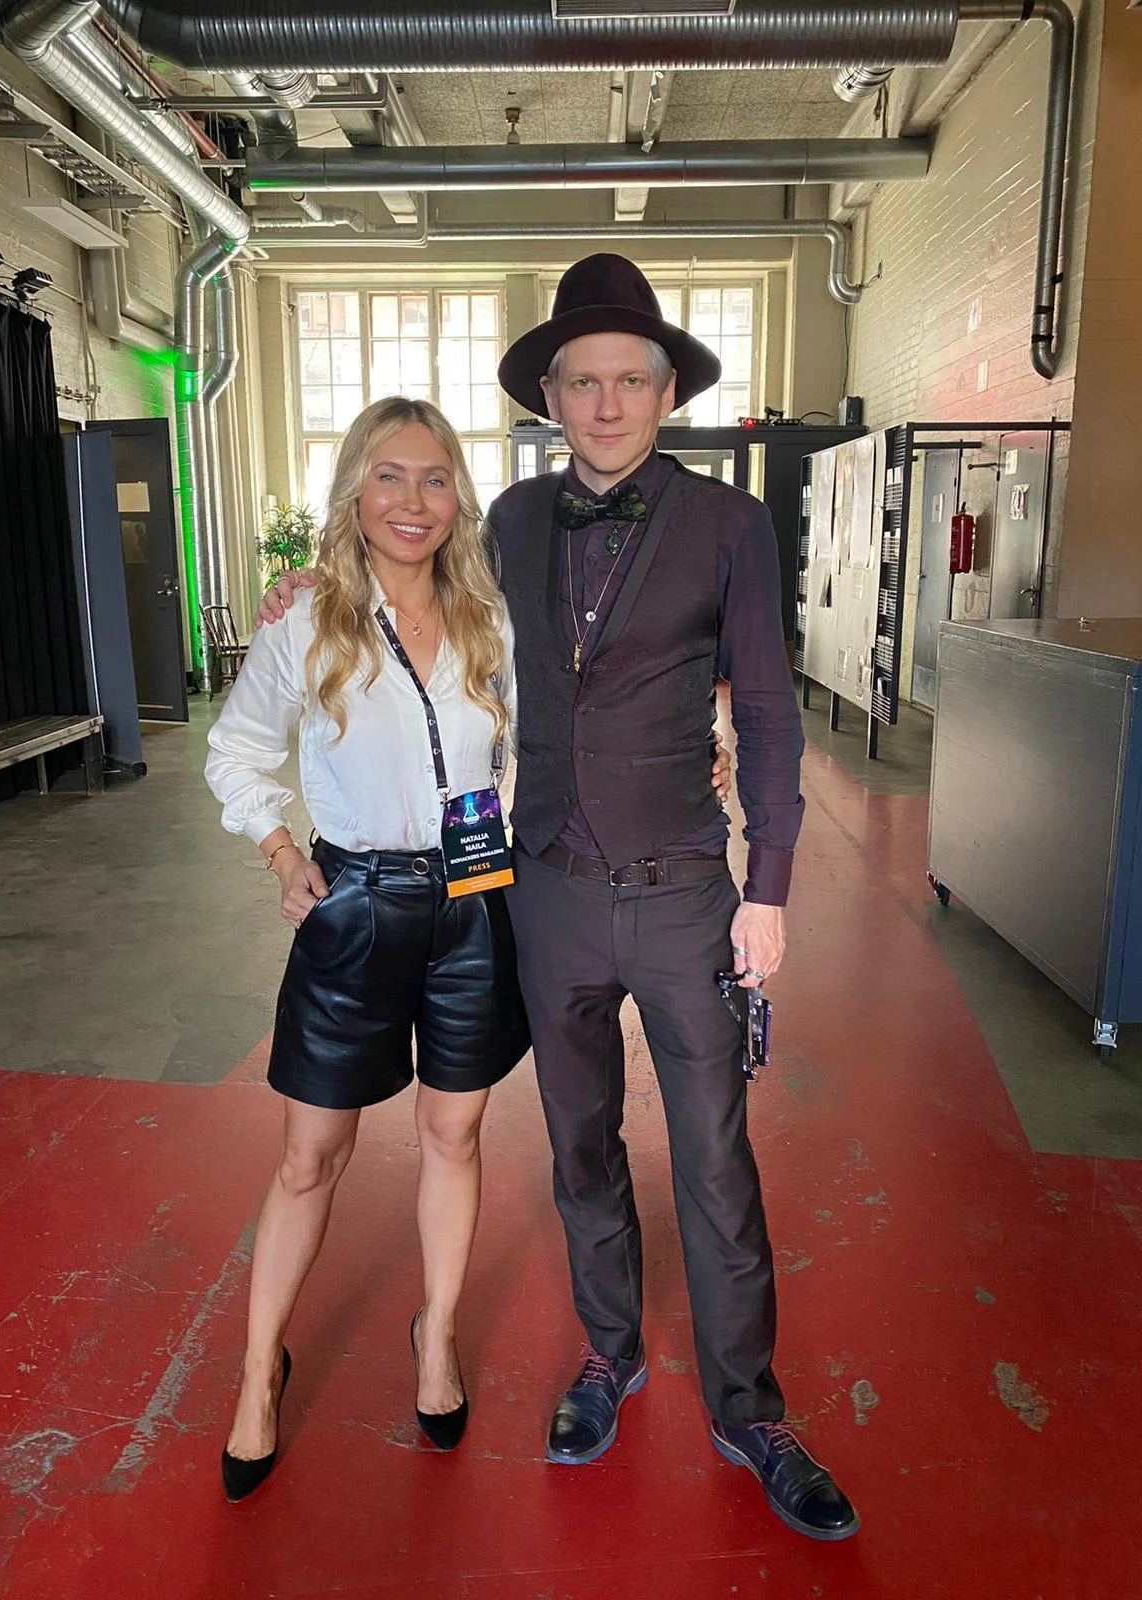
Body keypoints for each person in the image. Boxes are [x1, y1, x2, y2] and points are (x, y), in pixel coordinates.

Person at [256, 255, 859, 1541]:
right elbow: (404, 576)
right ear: (549, 395)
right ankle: (608, 1353)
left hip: (689, 892)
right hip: (545, 893)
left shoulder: (730, 525)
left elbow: (764, 711)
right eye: (582, 382)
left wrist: (769, 886)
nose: (607, 403)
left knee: (714, 1156)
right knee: (578, 1144)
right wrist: (305, 588)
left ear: (666, 390)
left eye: (630, 379)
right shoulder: (508, 524)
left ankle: (749, 1408)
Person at [204, 396, 531, 1502]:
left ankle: (436, 1335)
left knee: (455, 1131)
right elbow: (235, 749)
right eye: (389, 476)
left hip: (474, 902)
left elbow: (538, 743)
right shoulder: (307, 621)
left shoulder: (489, 620)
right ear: (354, 491)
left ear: (458, 499)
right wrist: (280, 851)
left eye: (435, 478)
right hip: (356, 901)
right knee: (311, 1153)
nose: (412, 500)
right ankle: (261, 1368)